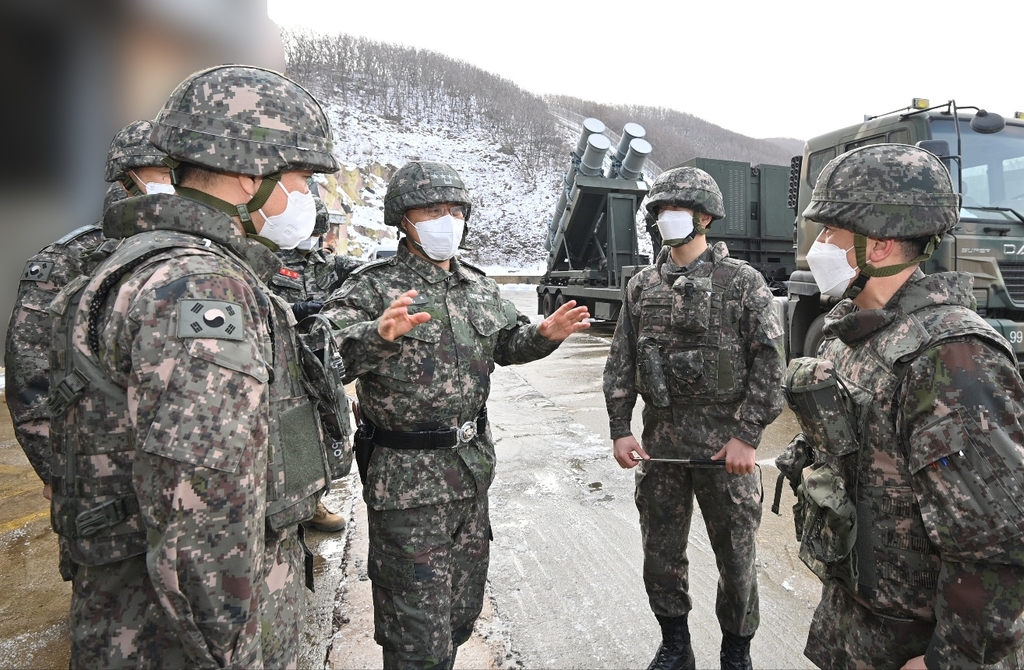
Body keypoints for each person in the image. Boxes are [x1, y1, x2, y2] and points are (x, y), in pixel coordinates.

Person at [49, 65, 337, 668]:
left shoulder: (154, 264)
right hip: (180, 643)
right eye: (303, 177)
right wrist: (235, 653)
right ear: (245, 170)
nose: (308, 197)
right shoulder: (199, 288)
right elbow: (205, 515)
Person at [321, 160, 591, 669]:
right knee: (415, 637)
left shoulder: (477, 285)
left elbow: (508, 343)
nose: (446, 220)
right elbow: (323, 358)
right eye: (431, 210)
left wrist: (543, 336)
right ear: (403, 218)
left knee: (458, 618)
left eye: (454, 210)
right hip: (406, 488)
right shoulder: (374, 287)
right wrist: (375, 336)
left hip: (469, 477)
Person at [778, 143, 1024, 668]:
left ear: (881, 245)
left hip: (911, 643)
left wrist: (948, 659)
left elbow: (996, 541)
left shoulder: (952, 356)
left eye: (831, 233)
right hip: (855, 620)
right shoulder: (849, 333)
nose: (818, 245)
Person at [603, 166, 785, 670]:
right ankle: (675, 644)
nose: (666, 217)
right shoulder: (642, 286)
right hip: (661, 447)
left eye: (676, 209)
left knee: (737, 559)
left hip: (725, 450)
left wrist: (748, 435)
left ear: (705, 216)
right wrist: (620, 427)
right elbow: (621, 359)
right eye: (659, 209)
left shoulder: (742, 282)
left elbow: (770, 361)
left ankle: (736, 650)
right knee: (660, 555)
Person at [4, 120, 171, 508]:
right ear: (128, 177)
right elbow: (31, 373)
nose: (174, 182)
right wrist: (56, 467)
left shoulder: (194, 257)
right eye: (163, 172)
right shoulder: (69, 260)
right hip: (104, 478)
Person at [269, 180, 363, 533]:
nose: (316, 239)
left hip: (322, 361)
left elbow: (367, 273)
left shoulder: (327, 263)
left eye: (320, 233)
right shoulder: (271, 262)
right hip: (283, 361)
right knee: (291, 431)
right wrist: (295, 308)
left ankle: (314, 498)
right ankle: (301, 504)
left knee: (329, 428)